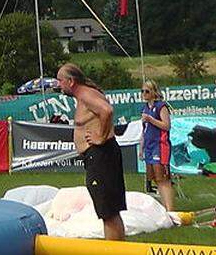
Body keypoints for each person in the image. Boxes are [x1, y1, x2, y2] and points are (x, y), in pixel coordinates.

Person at [57, 63, 125, 241]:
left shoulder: (85, 94)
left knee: (108, 212)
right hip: (99, 155)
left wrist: (100, 137)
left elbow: (107, 110)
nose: (58, 85)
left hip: (101, 155)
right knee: (109, 211)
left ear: (71, 81)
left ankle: (115, 251)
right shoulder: (85, 95)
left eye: (60, 80)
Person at [139, 80, 174, 211]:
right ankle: (165, 206)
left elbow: (166, 125)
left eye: (147, 91)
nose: (144, 94)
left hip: (159, 145)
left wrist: (151, 119)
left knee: (162, 177)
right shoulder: (145, 108)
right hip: (149, 144)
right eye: (142, 91)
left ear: (154, 92)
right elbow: (144, 129)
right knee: (154, 178)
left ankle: (170, 208)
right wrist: (141, 147)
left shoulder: (161, 107)